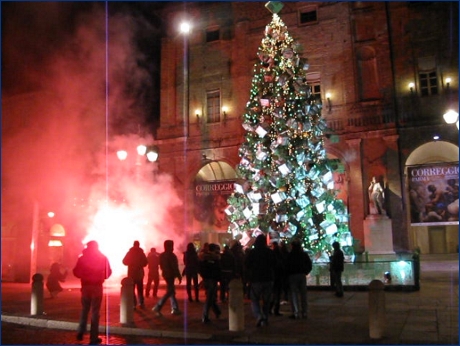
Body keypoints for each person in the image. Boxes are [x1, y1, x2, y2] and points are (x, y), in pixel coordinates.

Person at [73, 241, 112, 345]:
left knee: (85, 309)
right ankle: (93, 337)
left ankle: (81, 331)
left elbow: (75, 271)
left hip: (86, 286)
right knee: (95, 312)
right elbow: (108, 272)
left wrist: (84, 276)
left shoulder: (82, 258)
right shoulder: (102, 257)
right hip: (97, 286)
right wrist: (101, 277)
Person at [244, 234, 275, 327]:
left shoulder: (253, 253)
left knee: (254, 299)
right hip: (268, 278)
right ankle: (265, 317)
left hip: (256, 279)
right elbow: (275, 263)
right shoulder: (269, 252)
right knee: (266, 300)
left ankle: (258, 315)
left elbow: (247, 264)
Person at [152, 240, 182, 316]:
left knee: (171, 291)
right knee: (170, 291)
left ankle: (175, 308)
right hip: (171, 275)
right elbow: (174, 267)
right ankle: (158, 306)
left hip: (165, 274)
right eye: (171, 245)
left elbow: (160, 265)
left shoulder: (161, 255)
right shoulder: (172, 256)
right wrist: (178, 275)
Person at [286, 239, 312, 319]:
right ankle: (304, 312)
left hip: (293, 275)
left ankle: (296, 312)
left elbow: (286, 265)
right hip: (301, 274)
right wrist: (306, 271)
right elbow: (309, 264)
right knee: (303, 294)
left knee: (294, 295)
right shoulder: (303, 254)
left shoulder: (290, 255)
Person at [198, 243, 222, 323]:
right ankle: (205, 316)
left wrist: (203, 277)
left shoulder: (203, 257)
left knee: (211, 297)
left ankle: (217, 311)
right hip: (212, 280)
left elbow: (200, 269)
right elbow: (218, 270)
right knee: (210, 298)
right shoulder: (216, 258)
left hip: (206, 279)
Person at [122, 240, 148, 309]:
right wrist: (140, 264)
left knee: (132, 289)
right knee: (140, 289)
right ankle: (141, 303)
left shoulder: (129, 253)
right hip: (139, 273)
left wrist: (131, 264)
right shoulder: (141, 253)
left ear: (133, 245)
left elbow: (124, 261)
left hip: (131, 273)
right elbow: (145, 263)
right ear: (139, 245)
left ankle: (134, 304)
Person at [269, 241, 284, 316]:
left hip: (273, 276)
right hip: (279, 276)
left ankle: (270, 308)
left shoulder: (272, 254)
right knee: (277, 294)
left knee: (273, 294)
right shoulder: (280, 255)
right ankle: (276, 309)